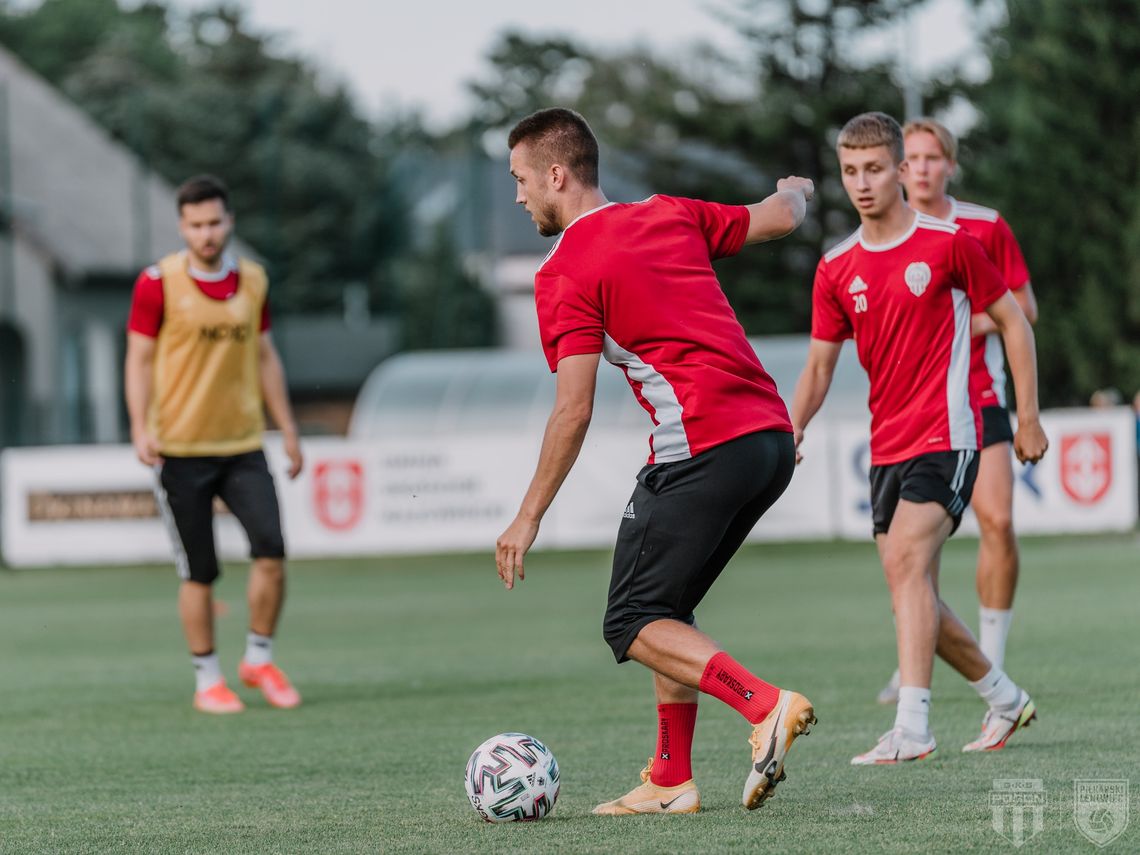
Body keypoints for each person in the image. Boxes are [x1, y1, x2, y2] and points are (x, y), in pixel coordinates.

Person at [496, 107, 816, 813]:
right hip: (769, 440)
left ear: (557, 173)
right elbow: (779, 217)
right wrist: (798, 189)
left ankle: (764, 703)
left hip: (702, 445)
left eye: (520, 179)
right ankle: (671, 778)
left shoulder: (564, 273)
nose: (517, 195)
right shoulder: (669, 212)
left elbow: (573, 409)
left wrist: (527, 515)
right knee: (668, 608)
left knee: (631, 618)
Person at [791, 112, 1048, 763]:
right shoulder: (835, 266)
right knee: (916, 596)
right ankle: (1005, 697)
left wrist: (1028, 417)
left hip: (951, 433)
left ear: (901, 169)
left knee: (909, 563)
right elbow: (820, 364)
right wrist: (792, 426)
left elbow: (1016, 321)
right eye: (850, 171)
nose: (862, 182)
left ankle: (912, 725)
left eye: (875, 168)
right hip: (887, 446)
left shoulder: (950, 242)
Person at [124, 174, 304, 714]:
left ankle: (259, 658)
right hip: (179, 449)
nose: (206, 233)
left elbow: (266, 356)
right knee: (200, 570)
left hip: (243, 444)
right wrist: (139, 425)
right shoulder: (157, 282)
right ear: (183, 226)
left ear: (230, 222)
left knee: (271, 550)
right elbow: (139, 358)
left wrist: (288, 427)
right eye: (196, 224)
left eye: (215, 222)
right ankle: (208, 680)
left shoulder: (253, 281)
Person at [876, 118, 1039, 705]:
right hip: (911, 409)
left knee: (997, 520)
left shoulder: (984, 225)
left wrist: (961, 323)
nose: (920, 168)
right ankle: (914, 660)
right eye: (911, 158)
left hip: (980, 397)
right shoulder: (882, 233)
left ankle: (991, 653)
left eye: (931, 158)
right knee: (917, 551)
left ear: (949, 165)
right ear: (899, 168)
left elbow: (1025, 310)